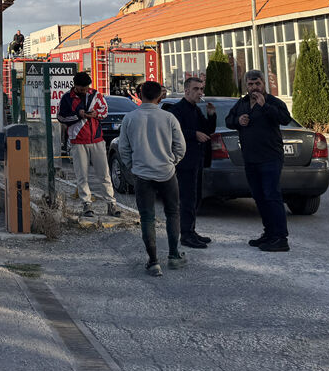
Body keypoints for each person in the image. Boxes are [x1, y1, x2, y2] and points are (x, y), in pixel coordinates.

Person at [118, 81, 187, 276]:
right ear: (160, 96)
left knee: (147, 217)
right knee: (173, 213)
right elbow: (180, 147)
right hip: (167, 173)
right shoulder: (169, 117)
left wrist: (133, 166)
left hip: (142, 174)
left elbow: (123, 148)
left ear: (140, 94)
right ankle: (174, 256)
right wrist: (171, 162)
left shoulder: (130, 118)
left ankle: (153, 261)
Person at [225, 69, 293, 252]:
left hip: (270, 157)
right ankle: (269, 233)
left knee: (272, 195)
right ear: (246, 86)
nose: (254, 87)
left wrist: (265, 106)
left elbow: (285, 119)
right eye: (250, 84)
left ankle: (281, 238)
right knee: (260, 197)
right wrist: (238, 120)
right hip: (250, 158)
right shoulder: (242, 103)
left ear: (264, 84)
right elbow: (229, 120)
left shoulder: (273, 102)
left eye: (257, 84)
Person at [56, 72, 121, 218]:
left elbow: (105, 111)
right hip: (78, 141)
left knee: (104, 174)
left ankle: (111, 204)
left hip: (97, 140)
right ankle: (86, 205)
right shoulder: (67, 98)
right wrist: (78, 115)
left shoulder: (95, 95)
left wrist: (95, 114)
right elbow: (60, 117)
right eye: (82, 88)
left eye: (86, 88)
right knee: (82, 175)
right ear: (75, 85)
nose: (85, 91)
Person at [166, 76, 218, 249]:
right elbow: (175, 132)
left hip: (197, 159)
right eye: (196, 89)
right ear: (187, 90)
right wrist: (194, 134)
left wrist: (211, 115)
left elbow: (207, 130)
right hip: (184, 160)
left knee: (195, 197)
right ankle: (186, 235)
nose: (200, 92)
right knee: (187, 198)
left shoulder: (195, 109)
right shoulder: (177, 109)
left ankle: (191, 230)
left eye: (201, 89)